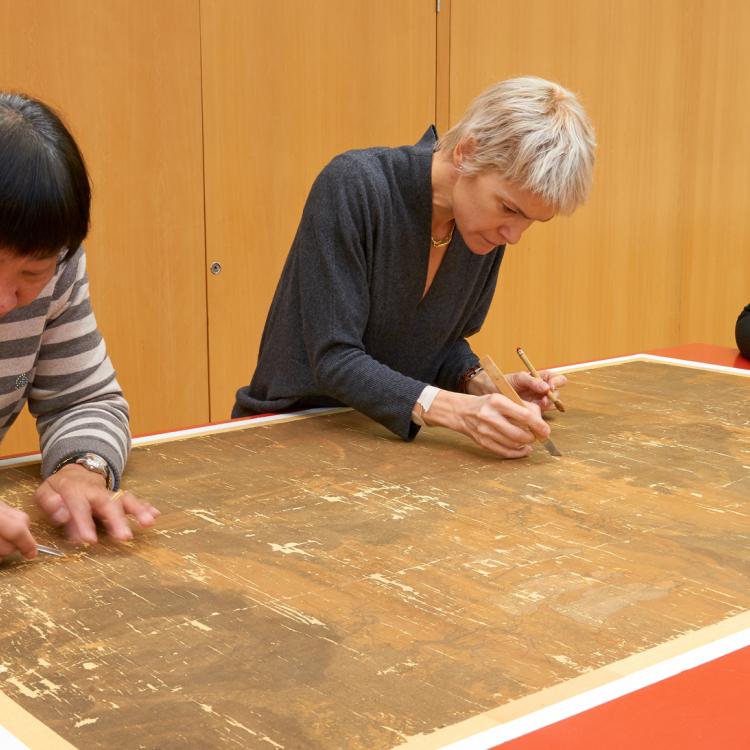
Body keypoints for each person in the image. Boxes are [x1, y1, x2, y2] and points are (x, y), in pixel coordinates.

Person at [233, 77, 596, 459]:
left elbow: (439, 344)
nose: (514, 234)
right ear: (467, 152)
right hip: (287, 435)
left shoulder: (482, 227)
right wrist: (460, 411)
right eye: (509, 209)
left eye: (532, 221)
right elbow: (333, 358)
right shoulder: (354, 184)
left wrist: (482, 384)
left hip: (383, 446)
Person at [0, 92, 159, 560]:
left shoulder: (58, 264)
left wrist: (83, 466)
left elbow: (85, 398)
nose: (5, 302)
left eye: (32, 273)